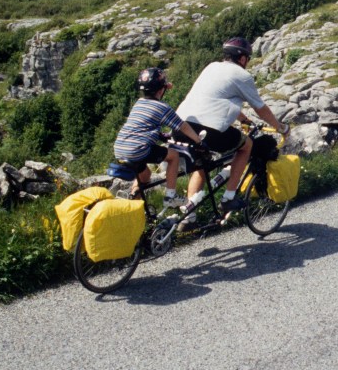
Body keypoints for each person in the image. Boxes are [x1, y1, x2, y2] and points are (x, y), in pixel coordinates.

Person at [174, 36, 289, 228]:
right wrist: (281, 127)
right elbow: (261, 108)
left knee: (202, 165)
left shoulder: (211, 67)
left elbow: (218, 98)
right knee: (246, 146)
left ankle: (188, 218)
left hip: (181, 125)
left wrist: (242, 119)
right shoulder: (242, 75)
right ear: (243, 58)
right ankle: (229, 197)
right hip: (207, 129)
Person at [112, 67, 205, 208]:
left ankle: (133, 207)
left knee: (145, 176)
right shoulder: (162, 107)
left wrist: (160, 135)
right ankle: (171, 196)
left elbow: (143, 125)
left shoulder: (139, 103)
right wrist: (198, 141)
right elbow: (182, 126)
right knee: (173, 156)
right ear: (161, 90)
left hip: (120, 148)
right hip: (137, 150)